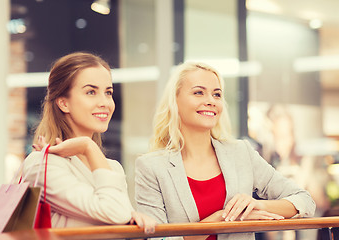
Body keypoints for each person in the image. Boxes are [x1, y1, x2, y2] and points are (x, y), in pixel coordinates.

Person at [135, 61, 316, 240]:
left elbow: (304, 200)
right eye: (199, 92)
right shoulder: (151, 167)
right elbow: (156, 239)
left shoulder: (241, 153)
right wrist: (221, 218)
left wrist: (257, 207)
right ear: (175, 100)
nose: (210, 101)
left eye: (217, 94)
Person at [23, 52, 156, 233]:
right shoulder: (42, 164)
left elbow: (121, 220)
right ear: (63, 103)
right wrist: (88, 146)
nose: (105, 102)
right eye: (91, 92)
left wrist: (131, 219)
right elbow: (115, 213)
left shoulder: (111, 167)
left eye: (108, 92)